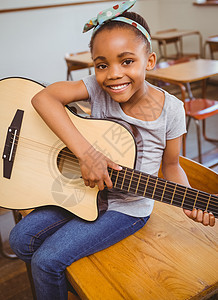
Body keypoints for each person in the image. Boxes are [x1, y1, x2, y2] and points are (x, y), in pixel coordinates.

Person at [9, 1, 215, 299]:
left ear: (150, 60)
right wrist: (87, 155)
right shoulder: (96, 87)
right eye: (102, 64)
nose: (114, 74)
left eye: (127, 61)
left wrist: (189, 203)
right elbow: (43, 98)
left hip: (127, 208)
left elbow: (171, 166)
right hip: (85, 190)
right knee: (20, 239)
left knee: (46, 261)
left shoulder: (172, 110)